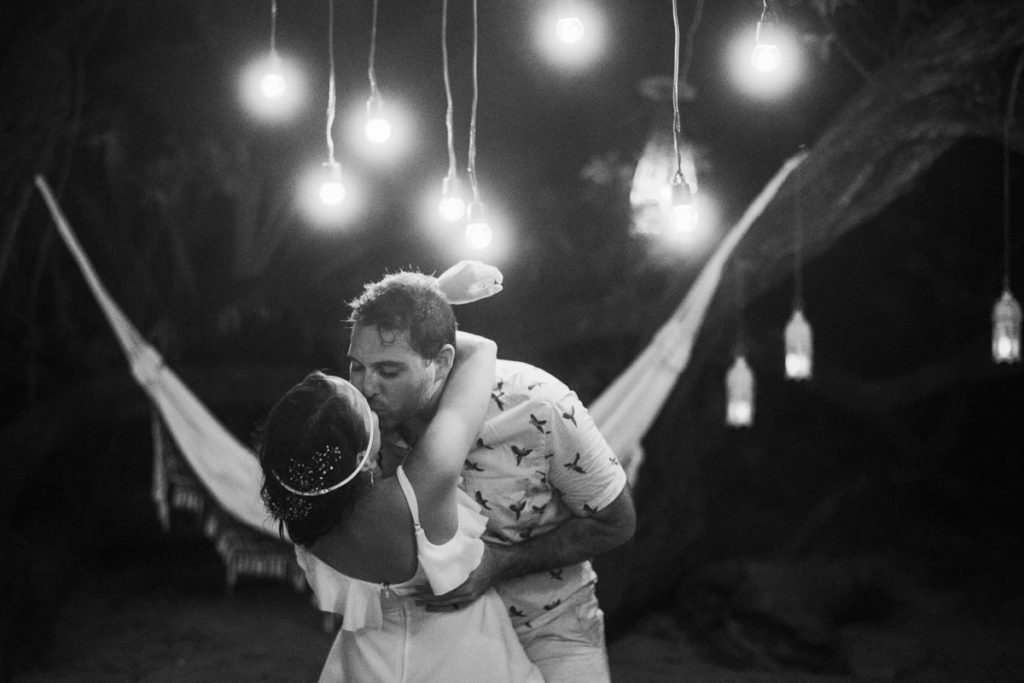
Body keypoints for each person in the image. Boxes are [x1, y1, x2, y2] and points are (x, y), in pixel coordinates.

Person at [347, 270, 636, 683]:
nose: (366, 386)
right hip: (432, 628)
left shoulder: (537, 404)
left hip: (548, 625)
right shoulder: (361, 419)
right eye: (356, 366)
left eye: (389, 371)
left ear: (442, 361)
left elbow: (617, 522)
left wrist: (501, 564)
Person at [257, 332, 544, 682]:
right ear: (361, 460)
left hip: (368, 669)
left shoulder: (304, 518)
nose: (367, 391)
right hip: (463, 666)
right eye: (365, 409)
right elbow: (482, 352)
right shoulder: (418, 489)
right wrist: (403, 328)